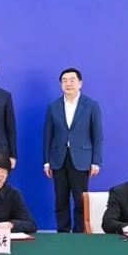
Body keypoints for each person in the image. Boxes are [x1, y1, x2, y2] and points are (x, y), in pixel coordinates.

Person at [43, 67, 103, 233]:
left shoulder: (91, 105)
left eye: (72, 80)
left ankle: (79, 235)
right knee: (60, 199)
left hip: (81, 159)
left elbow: (97, 135)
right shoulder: (53, 106)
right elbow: (47, 135)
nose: (68, 84)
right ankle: (62, 232)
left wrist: (96, 161)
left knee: (80, 200)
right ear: (61, 84)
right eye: (64, 81)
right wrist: (46, 161)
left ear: (80, 83)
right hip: (58, 159)